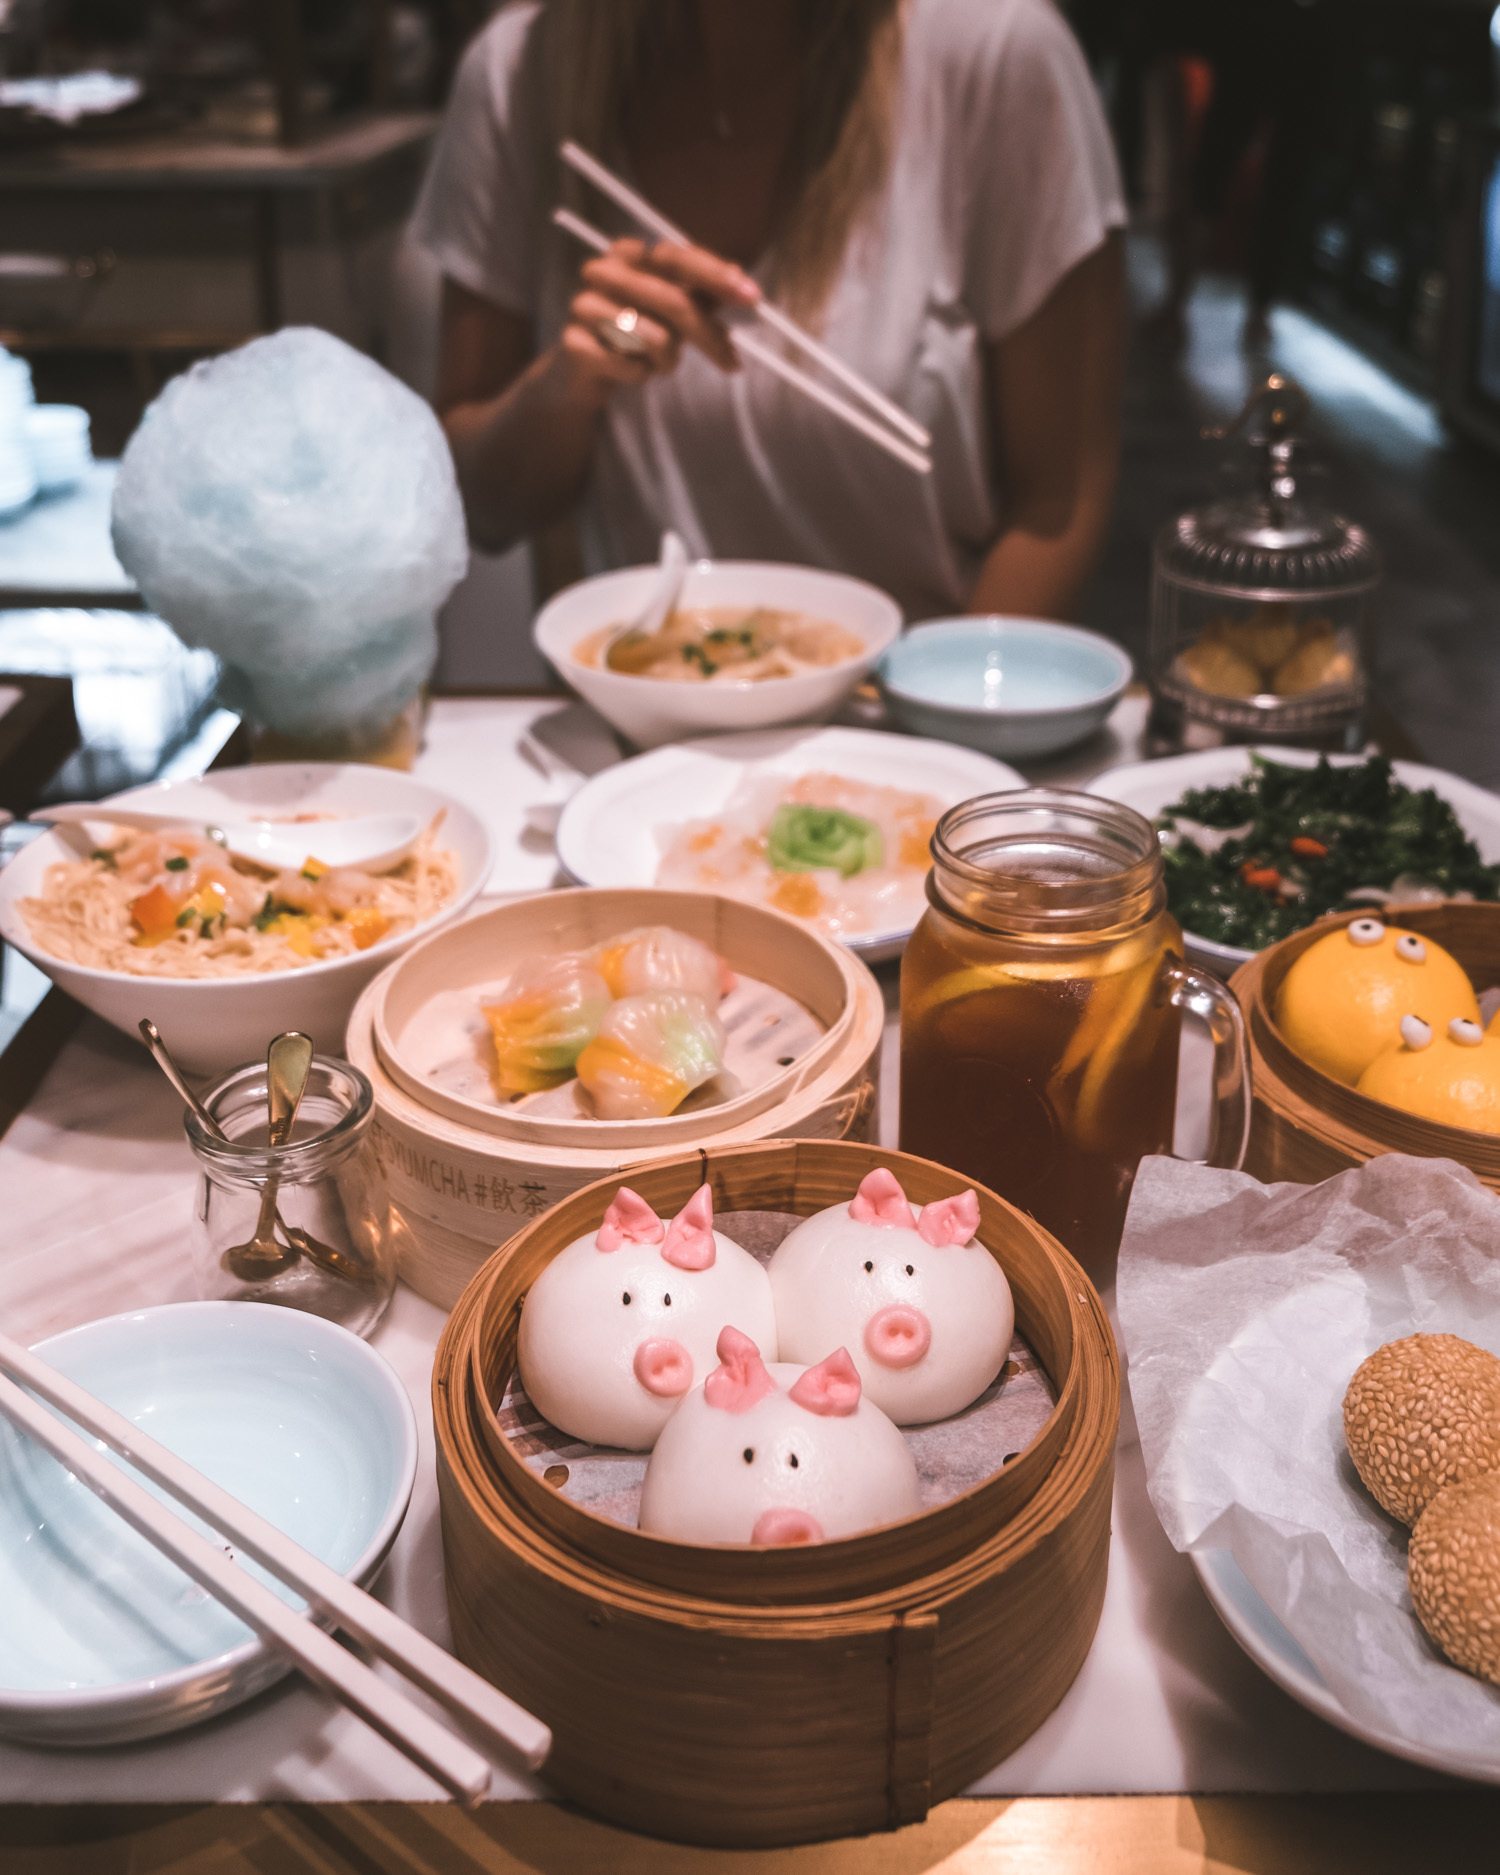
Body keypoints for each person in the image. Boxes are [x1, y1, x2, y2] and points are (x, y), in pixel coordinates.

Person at [413, 0, 1126, 623]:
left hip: (926, 718)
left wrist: (937, 738)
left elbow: (1058, 507)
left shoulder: (996, 50)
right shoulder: (517, 73)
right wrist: (569, 382)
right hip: (655, 713)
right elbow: (477, 503)